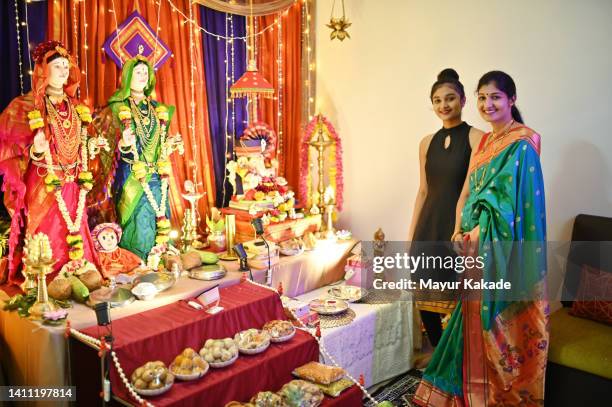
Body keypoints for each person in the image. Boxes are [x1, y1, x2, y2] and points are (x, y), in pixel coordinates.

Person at [414, 71, 548, 406]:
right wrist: (462, 229)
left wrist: (476, 232)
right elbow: (472, 192)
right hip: (472, 245)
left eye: (496, 97)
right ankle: (472, 388)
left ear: (511, 100)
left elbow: (514, 203)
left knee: (496, 322)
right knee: (466, 314)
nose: (488, 104)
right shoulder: (487, 142)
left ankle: (499, 393)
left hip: (499, 247)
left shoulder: (523, 141)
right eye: (483, 98)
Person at [0, 41, 101, 284]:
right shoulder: (27, 105)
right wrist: (35, 148)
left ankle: (78, 271)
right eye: (58, 66)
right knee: (47, 231)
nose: (64, 71)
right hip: (44, 182)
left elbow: (84, 141)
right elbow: (8, 144)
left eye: (67, 66)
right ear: (44, 71)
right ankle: (46, 280)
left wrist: (92, 146)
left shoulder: (77, 107)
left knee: (75, 226)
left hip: (74, 181)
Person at [408, 69, 484, 349]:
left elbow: (472, 190)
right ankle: (438, 354)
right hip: (428, 227)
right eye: (437, 101)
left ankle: (457, 357)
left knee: (458, 297)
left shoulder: (477, 137)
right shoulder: (426, 142)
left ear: (463, 100)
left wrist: (462, 229)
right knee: (425, 295)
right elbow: (423, 191)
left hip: (457, 229)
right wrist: (411, 235)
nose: (444, 106)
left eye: (450, 98)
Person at [99, 56, 181, 259]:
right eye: (138, 72)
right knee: (139, 223)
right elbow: (106, 146)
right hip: (132, 175)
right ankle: (137, 263)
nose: (143, 76)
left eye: (146, 72)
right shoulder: (118, 107)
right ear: (127, 76)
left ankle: (160, 261)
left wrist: (171, 144)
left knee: (159, 219)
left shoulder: (156, 108)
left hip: (157, 175)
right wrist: (123, 144)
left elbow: (158, 141)